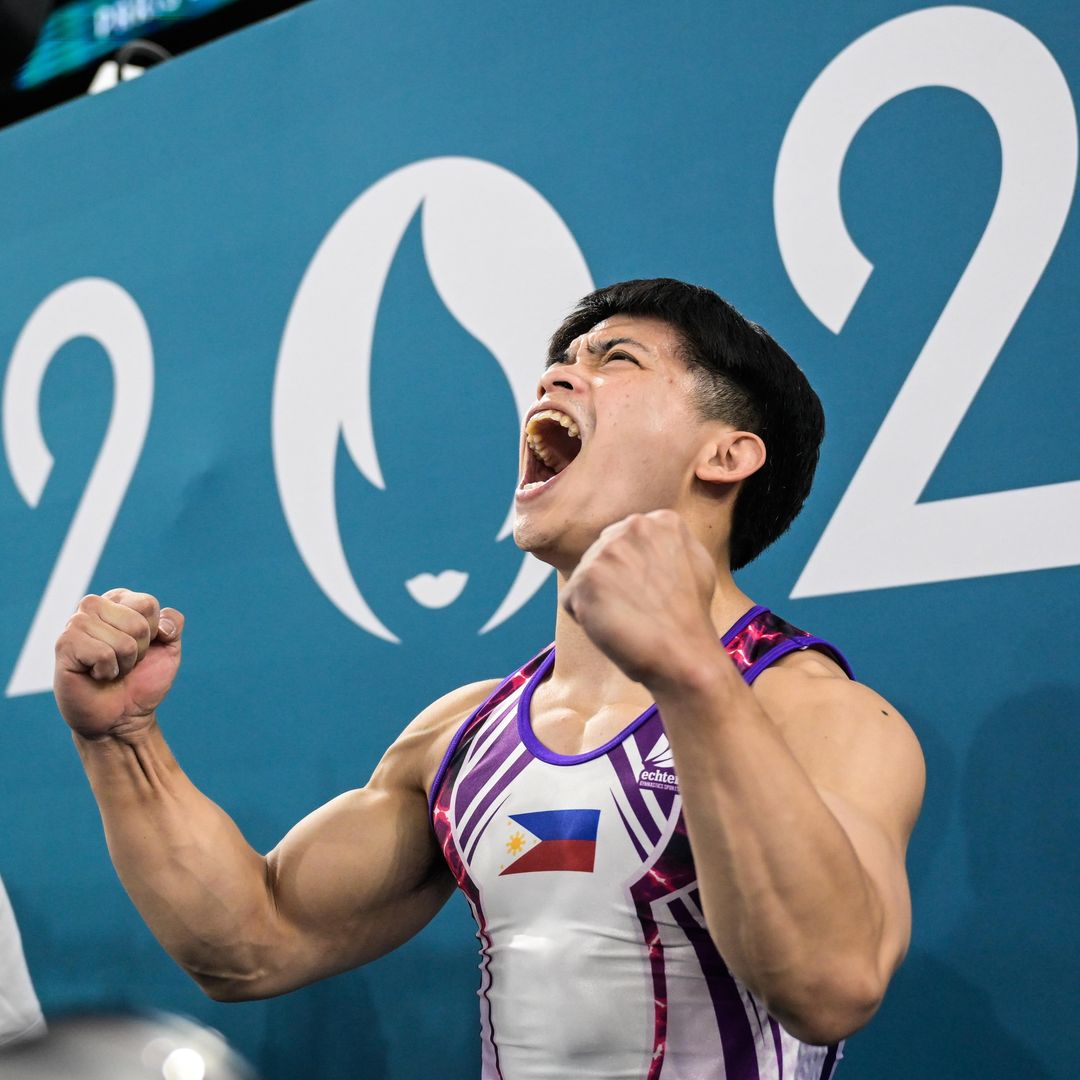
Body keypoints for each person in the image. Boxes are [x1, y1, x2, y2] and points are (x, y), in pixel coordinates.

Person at [52, 279, 924, 1079]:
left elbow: (831, 987)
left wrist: (692, 677)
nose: (555, 379)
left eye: (615, 358)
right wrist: (123, 742)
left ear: (728, 456)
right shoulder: (464, 735)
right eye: (557, 364)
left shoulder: (820, 713)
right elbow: (251, 942)